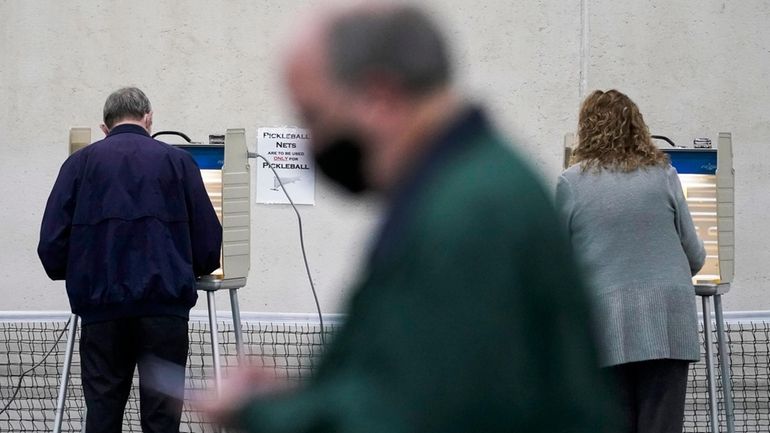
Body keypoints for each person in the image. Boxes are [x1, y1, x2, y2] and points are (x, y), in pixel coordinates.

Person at [204, 4, 617, 433]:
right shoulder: (467, 189)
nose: (311, 141)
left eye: (313, 116)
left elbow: (417, 415)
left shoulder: (468, 217)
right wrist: (304, 398)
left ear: (379, 97)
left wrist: (262, 415)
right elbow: (415, 378)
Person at [38, 87, 222, 433]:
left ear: (104, 127)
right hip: (165, 311)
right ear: (148, 118)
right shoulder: (179, 162)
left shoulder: (80, 163)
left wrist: (80, 273)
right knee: (161, 416)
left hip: (102, 312)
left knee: (103, 411)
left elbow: (51, 245)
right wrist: (188, 270)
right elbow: (209, 244)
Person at [556, 89, 706, 433]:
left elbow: (557, 268)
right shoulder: (664, 176)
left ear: (587, 130)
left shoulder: (571, 183)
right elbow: (694, 257)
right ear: (637, 127)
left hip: (604, 330)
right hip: (668, 329)